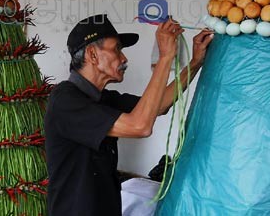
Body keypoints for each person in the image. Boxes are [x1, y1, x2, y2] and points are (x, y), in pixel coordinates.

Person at [45, 14, 213, 216]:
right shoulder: (65, 101)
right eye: (116, 49)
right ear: (92, 54)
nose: (124, 58)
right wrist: (165, 58)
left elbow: (158, 106)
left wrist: (195, 63)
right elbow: (140, 126)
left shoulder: (103, 98)